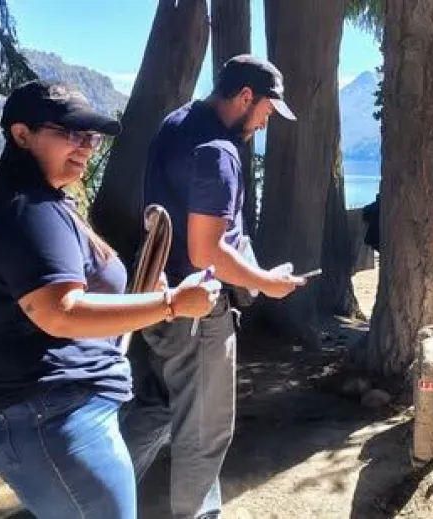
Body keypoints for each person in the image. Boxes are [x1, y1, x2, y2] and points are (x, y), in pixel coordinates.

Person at [0, 80, 222, 519]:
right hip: (49, 414)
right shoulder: (28, 210)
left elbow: (74, 297)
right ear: (21, 135)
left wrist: (146, 294)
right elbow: (58, 313)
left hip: (61, 411)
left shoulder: (49, 204)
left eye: (90, 137)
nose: (84, 146)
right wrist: (173, 305)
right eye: (69, 133)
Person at [121, 55, 305, 518]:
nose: (265, 123)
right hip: (197, 312)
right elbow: (206, 251)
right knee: (204, 434)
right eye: (266, 111)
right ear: (245, 97)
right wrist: (266, 283)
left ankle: (91, 495)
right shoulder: (218, 151)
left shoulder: (178, 122)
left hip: (159, 300)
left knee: (159, 408)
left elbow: (194, 230)